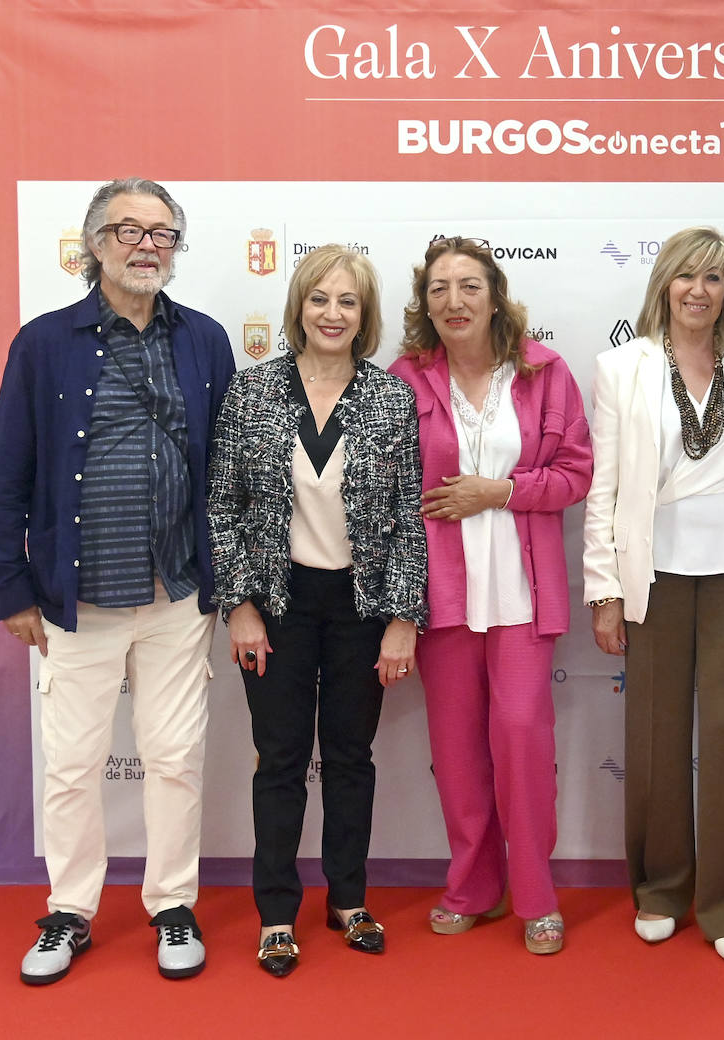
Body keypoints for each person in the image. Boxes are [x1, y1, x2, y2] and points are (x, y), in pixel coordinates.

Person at [0, 177, 236, 984]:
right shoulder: (45, 342)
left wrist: (228, 584)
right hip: (74, 598)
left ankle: (171, 905)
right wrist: (11, 587)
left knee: (173, 758)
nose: (146, 244)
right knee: (72, 764)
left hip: (176, 594)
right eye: (128, 229)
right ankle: (70, 911)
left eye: (163, 232)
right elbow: (7, 473)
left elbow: (225, 476)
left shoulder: (204, 339)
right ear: (94, 244)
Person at [208, 244, 427, 977]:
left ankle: (348, 899)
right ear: (299, 307)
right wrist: (238, 606)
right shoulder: (252, 392)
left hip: (361, 606)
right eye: (320, 299)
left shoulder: (391, 397)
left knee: (350, 757)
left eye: (349, 302)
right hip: (277, 604)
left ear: (364, 317)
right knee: (278, 760)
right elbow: (224, 508)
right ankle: (276, 912)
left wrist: (403, 617)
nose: (332, 314)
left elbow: (407, 516)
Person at [582, 226, 724, 964]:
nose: (699, 291)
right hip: (654, 575)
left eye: (714, 278)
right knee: (655, 734)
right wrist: (605, 590)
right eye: (686, 277)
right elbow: (604, 488)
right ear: (664, 284)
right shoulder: (622, 369)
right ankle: (662, 888)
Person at [389, 236, 591, 956]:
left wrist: (499, 492)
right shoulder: (404, 377)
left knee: (523, 745)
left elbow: (575, 474)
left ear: (496, 296)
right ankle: (472, 885)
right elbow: (383, 489)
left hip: (522, 601)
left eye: (469, 285)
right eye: (439, 288)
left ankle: (536, 894)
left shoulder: (544, 372)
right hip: (442, 601)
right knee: (458, 752)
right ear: (425, 305)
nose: (454, 300)